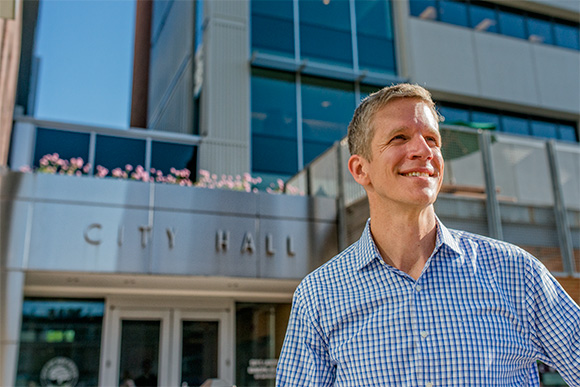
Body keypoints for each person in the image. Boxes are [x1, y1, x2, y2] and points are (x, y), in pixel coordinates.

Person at [276, 83, 580, 386]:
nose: (424, 151)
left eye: (432, 140)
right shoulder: (319, 296)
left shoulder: (516, 274)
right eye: (399, 137)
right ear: (360, 169)